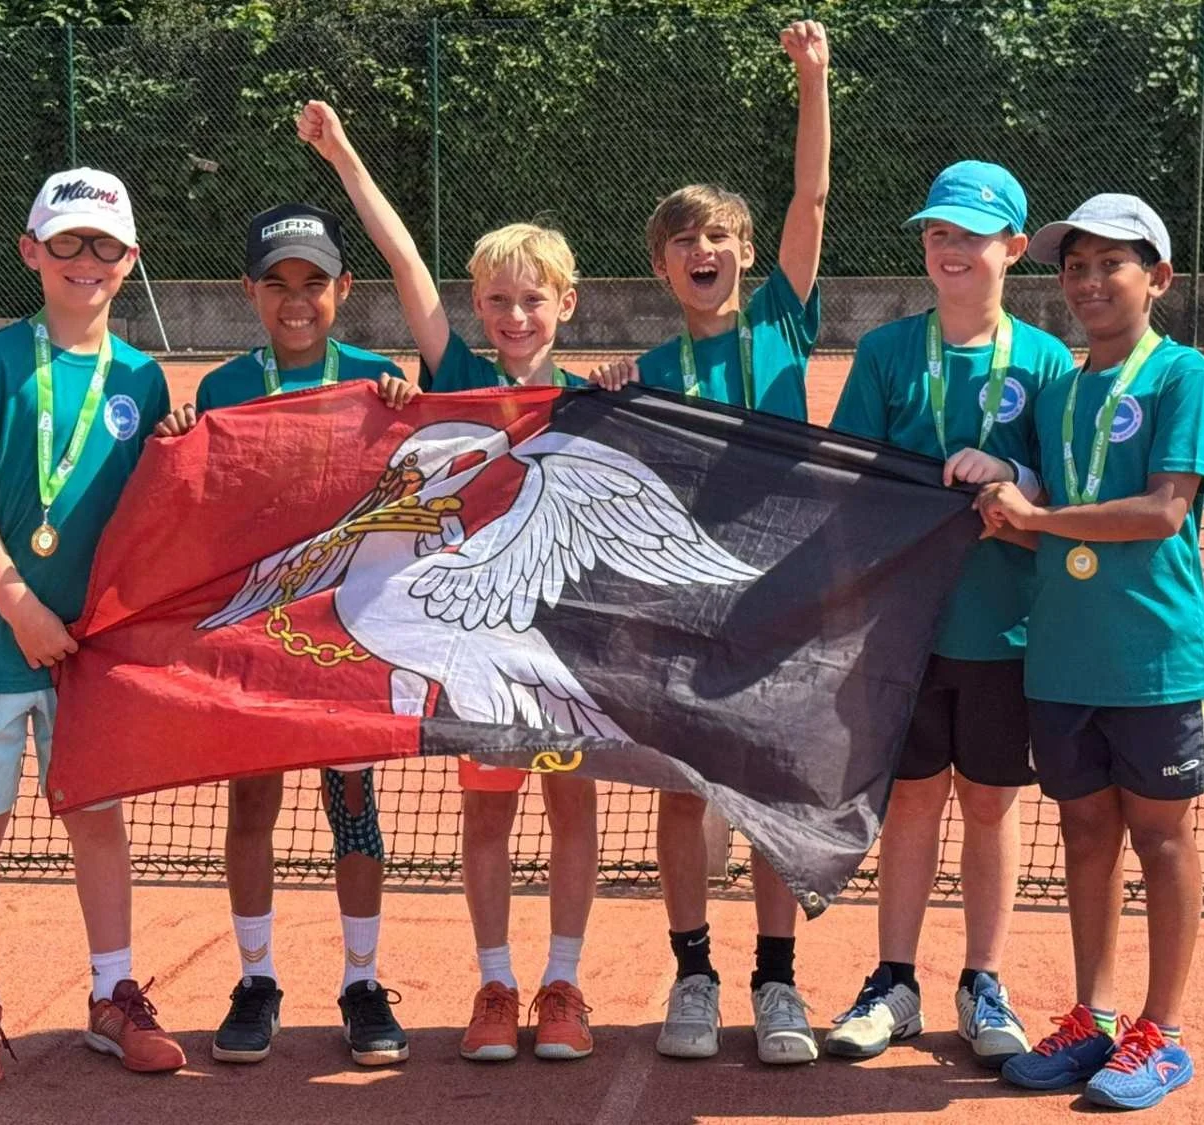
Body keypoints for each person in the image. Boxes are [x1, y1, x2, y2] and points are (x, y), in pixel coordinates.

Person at [298, 98, 597, 1063]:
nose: (516, 316)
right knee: (489, 813)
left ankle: (564, 984)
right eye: (500, 300)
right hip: (479, 654)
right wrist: (344, 157)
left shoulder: (597, 401)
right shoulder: (457, 369)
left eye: (533, 299)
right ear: (481, 311)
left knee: (573, 806)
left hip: (566, 652)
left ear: (567, 305)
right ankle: (497, 984)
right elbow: (404, 265)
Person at [591, 20, 830, 1066]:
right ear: (661, 263)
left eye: (721, 237)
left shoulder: (782, 323)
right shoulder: (642, 370)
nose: (706, 251)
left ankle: (777, 985)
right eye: (685, 241)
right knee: (686, 797)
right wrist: (604, 400)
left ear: (744, 254)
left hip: (780, 601)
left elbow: (811, 200)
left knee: (774, 796)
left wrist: (813, 81)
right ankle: (694, 973)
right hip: (680, 613)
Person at [0, 167, 184, 1087]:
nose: (87, 260)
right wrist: (23, 607)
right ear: (32, 251)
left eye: (104, 245)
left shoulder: (145, 381)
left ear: (131, 260)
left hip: (95, 660)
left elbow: (161, 512)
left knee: (99, 822)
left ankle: (114, 996)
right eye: (68, 242)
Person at [154, 200, 418, 1067]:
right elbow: (201, 501)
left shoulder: (376, 377)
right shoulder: (224, 390)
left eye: (314, 283)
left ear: (344, 288)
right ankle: (258, 978)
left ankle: (362, 982)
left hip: (346, 638)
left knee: (354, 810)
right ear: (250, 292)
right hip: (257, 638)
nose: (296, 300)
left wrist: (404, 406)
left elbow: (418, 472)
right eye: (278, 285)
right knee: (252, 802)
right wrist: (178, 440)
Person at [824, 160, 1073, 1067]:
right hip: (905, 631)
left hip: (1008, 631)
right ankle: (894, 980)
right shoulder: (887, 353)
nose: (950, 247)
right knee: (912, 805)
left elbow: (1065, 494)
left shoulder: (1046, 363)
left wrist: (1014, 480)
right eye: (937, 232)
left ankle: (984, 979)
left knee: (992, 806)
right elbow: (850, 475)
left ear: (1013, 247)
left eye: (970, 234)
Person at [981, 194, 1204, 1110]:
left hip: (1155, 659)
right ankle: (1095, 1017)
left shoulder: (1182, 377)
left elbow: (1165, 509)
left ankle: (1162, 1030)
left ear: (1157, 278)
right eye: (1074, 266)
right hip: (1062, 660)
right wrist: (997, 510)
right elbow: (1040, 525)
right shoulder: (1057, 390)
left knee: (1161, 837)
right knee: (1086, 834)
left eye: (1108, 264)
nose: (1087, 281)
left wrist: (1040, 518)